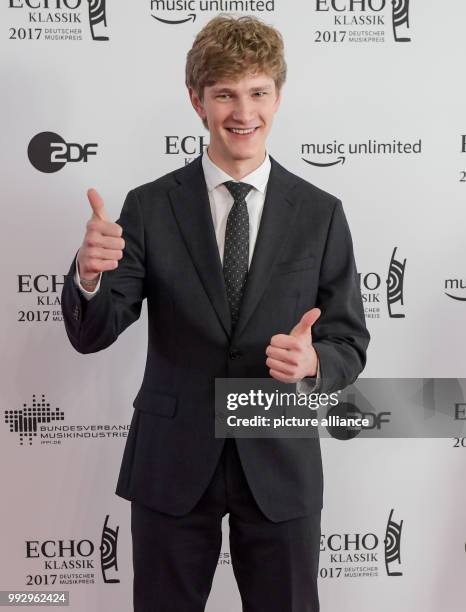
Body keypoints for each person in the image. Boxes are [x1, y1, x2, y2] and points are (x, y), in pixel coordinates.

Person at [61, 14, 369, 612]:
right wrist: (89, 276)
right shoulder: (149, 207)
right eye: (224, 93)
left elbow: (348, 340)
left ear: (278, 97)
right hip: (172, 461)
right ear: (197, 101)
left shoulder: (320, 212)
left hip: (279, 460)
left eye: (257, 92)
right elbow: (94, 332)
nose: (242, 111)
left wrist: (313, 363)